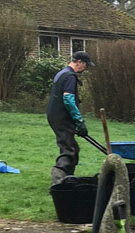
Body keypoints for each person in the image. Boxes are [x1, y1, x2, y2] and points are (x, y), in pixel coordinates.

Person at [46, 51, 95, 185]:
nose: (85, 68)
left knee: (71, 147)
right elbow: (68, 99)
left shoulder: (61, 73)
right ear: (79, 62)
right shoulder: (70, 76)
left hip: (55, 115)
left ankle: (68, 180)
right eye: (86, 65)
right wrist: (79, 121)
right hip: (61, 117)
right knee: (70, 149)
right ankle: (58, 180)